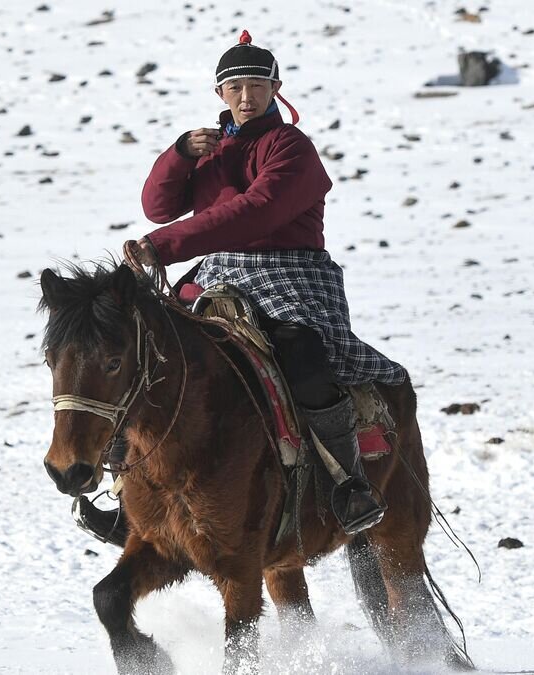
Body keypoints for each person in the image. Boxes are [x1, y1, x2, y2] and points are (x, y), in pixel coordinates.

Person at [84, 31, 406, 544]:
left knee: (301, 350)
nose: (246, 96)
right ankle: (130, 497)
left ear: (276, 88)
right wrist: (179, 154)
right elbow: (157, 207)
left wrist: (164, 246)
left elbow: (256, 210)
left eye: (257, 84)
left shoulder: (292, 148)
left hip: (290, 269)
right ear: (220, 94)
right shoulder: (209, 150)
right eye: (234, 86)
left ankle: (349, 483)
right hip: (219, 271)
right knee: (150, 353)